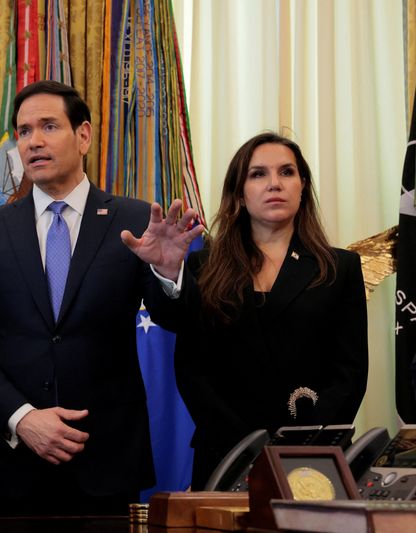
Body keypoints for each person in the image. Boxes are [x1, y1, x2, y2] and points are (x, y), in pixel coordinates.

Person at [0, 80, 172, 515]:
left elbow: (175, 317)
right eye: (24, 131)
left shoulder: (135, 218)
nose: (34, 141)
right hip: (13, 464)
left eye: (49, 126)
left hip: (104, 461)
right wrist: (22, 418)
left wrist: (167, 271)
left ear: (83, 135)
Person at [122, 132, 368, 489]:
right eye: (258, 174)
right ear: (239, 193)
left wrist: (304, 441)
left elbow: (350, 373)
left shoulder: (340, 267)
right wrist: (168, 271)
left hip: (312, 459)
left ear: (302, 186)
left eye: (287, 172)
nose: (274, 183)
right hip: (225, 454)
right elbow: (187, 357)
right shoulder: (204, 267)